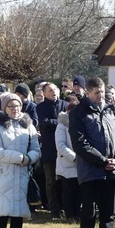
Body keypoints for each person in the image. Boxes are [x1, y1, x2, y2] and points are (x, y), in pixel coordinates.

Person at [69, 77, 115, 228]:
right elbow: (80, 143)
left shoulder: (113, 110)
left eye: (103, 91)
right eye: (97, 92)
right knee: (89, 212)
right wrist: (102, 161)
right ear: (88, 93)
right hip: (90, 170)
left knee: (108, 212)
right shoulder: (78, 113)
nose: (101, 95)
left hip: (112, 170)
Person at [0, 92, 41, 228]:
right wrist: (20, 158)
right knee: (2, 216)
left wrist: (29, 158)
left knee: (18, 217)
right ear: (5, 108)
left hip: (22, 175)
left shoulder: (28, 125)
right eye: (11, 106)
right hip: (3, 176)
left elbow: (36, 149)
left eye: (17, 105)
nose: (14, 109)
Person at [36, 82, 68, 219]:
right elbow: (44, 123)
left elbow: (69, 121)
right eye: (50, 90)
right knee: (51, 181)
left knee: (64, 180)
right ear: (44, 93)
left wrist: (55, 122)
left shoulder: (65, 105)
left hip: (65, 148)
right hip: (49, 149)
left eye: (55, 89)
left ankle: (64, 207)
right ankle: (53, 208)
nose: (54, 91)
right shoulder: (41, 107)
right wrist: (60, 122)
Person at [55, 97, 82, 222]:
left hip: (80, 164)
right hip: (67, 163)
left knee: (78, 191)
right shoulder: (61, 125)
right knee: (69, 191)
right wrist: (74, 157)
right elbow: (61, 145)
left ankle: (77, 213)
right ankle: (70, 215)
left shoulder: (80, 124)